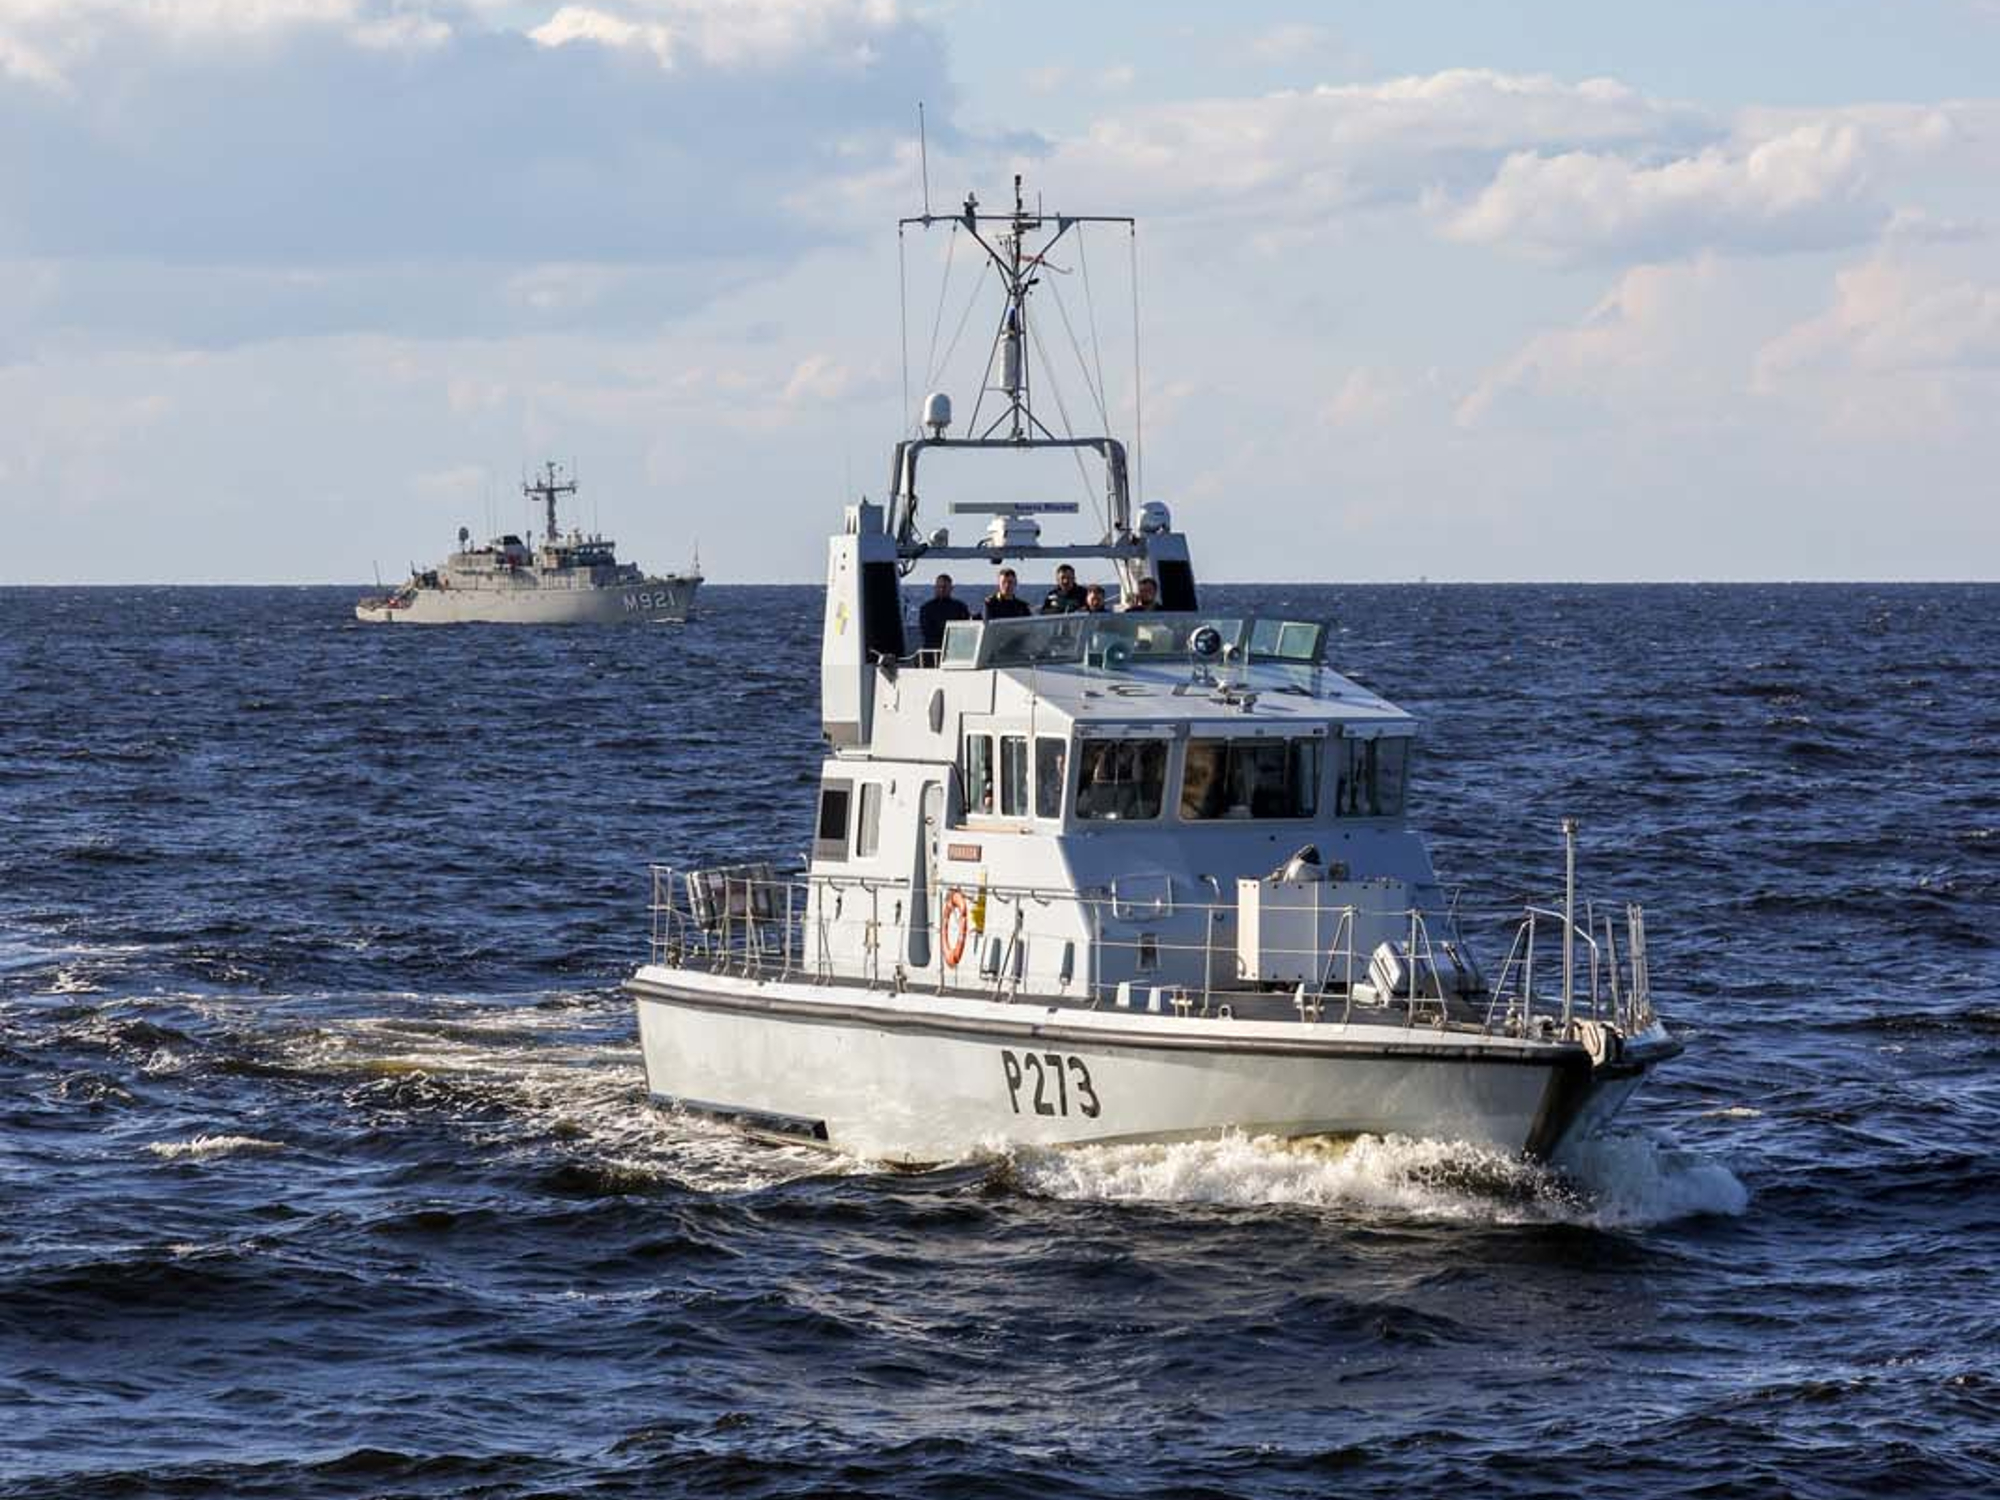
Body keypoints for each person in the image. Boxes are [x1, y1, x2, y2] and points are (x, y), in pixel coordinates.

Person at [916, 573, 970, 653]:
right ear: (935, 588)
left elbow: (966, 628)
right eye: (939, 587)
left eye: (944, 587)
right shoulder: (926, 608)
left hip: (956, 649)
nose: (941, 590)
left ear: (951, 588)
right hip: (933, 650)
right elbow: (926, 631)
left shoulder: (960, 607)